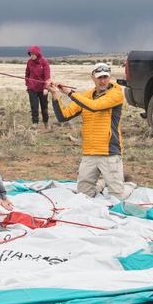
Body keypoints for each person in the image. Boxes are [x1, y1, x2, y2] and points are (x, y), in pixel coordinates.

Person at [50, 62, 134, 201]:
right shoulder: (87, 96)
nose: (103, 81)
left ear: (109, 76)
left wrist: (69, 92)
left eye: (105, 77)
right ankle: (103, 183)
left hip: (109, 152)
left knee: (117, 198)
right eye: (99, 77)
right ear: (93, 78)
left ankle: (130, 185)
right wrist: (55, 95)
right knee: (83, 195)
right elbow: (63, 116)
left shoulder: (116, 94)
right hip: (89, 152)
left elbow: (95, 106)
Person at [25, 46, 51, 126]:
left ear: (37, 54)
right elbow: (27, 73)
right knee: (34, 106)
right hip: (32, 88)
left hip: (43, 89)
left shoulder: (44, 62)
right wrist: (28, 83)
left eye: (33, 54)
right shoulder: (29, 62)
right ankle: (35, 123)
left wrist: (46, 88)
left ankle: (46, 122)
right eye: (30, 54)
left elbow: (47, 76)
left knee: (44, 106)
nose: (31, 56)